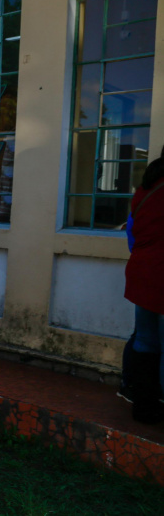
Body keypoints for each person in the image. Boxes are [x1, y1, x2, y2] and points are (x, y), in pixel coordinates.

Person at [124, 151, 164, 423]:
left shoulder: (145, 189)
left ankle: (142, 406)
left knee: (145, 341)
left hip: (142, 271)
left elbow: (132, 231)